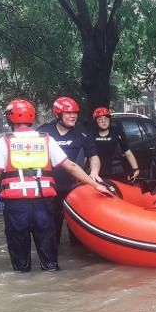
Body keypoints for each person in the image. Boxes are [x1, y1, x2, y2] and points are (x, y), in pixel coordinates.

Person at [0, 99, 112, 272]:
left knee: (20, 265)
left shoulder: (4, 142)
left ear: (10, 119)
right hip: (44, 203)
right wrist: (94, 184)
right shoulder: (46, 140)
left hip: (17, 207)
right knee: (50, 261)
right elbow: (70, 166)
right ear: (32, 117)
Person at [37, 96, 99, 243]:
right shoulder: (43, 133)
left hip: (73, 188)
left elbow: (93, 157)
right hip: (48, 189)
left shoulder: (82, 133)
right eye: (68, 113)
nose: (73, 116)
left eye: (75, 113)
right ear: (58, 114)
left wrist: (94, 172)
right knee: (52, 233)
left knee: (76, 236)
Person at [91, 107, 140, 180]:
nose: (104, 122)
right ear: (96, 121)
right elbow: (86, 155)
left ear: (110, 120)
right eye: (100, 119)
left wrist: (136, 169)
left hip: (116, 171)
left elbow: (127, 152)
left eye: (106, 119)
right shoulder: (91, 134)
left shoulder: (117, 133)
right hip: (96, 172)